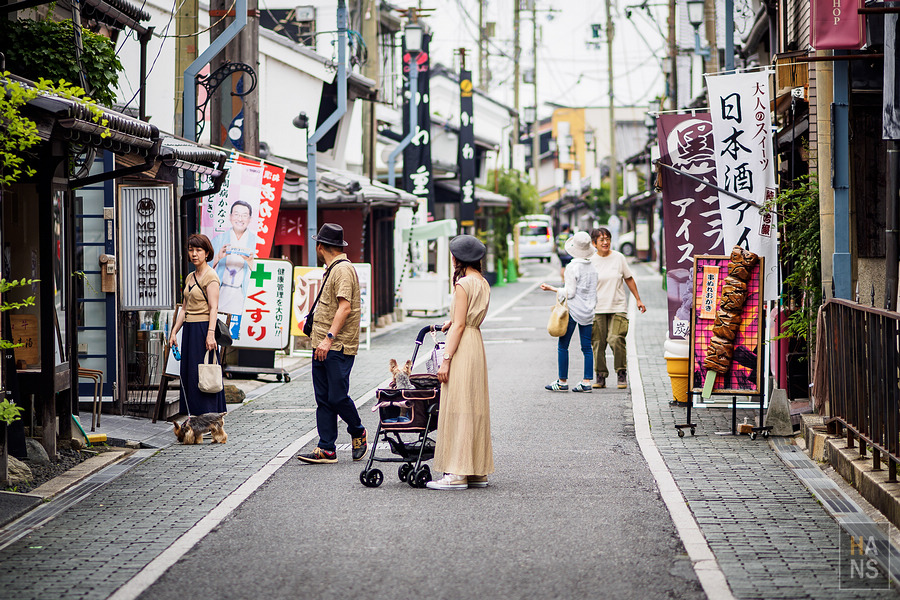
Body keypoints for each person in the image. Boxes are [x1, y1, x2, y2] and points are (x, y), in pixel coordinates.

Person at [426, 235, 494, 490]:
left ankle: (456, 473)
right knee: (474, 405)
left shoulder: (463, 284)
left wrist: (446, 359)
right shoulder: (482, 282)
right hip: (476, 343)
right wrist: (452, 321)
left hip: (463, 345)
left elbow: (460, 324)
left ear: (457, 259)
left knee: (458, 406)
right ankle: (476, 472)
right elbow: (466, 320)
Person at [297, 223, 367, 464]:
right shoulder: (333, 269)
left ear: (320, 246)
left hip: (336, 345)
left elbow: (345, 307)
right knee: (324, 398)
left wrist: (328, 339)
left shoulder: (342, 270)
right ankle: (326, 448)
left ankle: (357, 430)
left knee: (337, 397)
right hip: (321, 345)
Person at [168, 234, 227, 416]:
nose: (194, 254)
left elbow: (213, 307)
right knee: (190, 375)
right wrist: (174, 332)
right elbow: (184, 309)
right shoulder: (190, 277)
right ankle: (194, 417)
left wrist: (210, 334)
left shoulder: (211, 277)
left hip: (203, 329)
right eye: (191, 250)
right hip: (189, 331)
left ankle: (210, 418)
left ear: (207, 253)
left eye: (198, 250)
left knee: (205, 373)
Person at [540, 231, 598, 394]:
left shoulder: (572, 267)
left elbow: (570, 292)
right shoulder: (593, 268)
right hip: (588, 311)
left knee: (563, 346)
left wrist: (552, 288)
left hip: (572, 311)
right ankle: (587, 382)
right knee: (587, 347)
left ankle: (562, 381)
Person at [590, 227, 647, 389]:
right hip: (597, 307)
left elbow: (629, 278)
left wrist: (638, 299)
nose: (605, 242)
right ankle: (600, 375)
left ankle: (621, 373)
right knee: (598, 343)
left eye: (607, 238)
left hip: (618, 306)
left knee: (616, 339)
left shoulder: (618, 258)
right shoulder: (591, 261)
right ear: (594, 243)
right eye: (601, 239)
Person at [211, 200, 260, 316]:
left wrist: (250, 262)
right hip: (221, 292)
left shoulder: (256, 242)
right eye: (237, 214)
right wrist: (217, 258)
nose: (240, 219)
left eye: (244, 215)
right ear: (230, 217)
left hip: (243, 293)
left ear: (250, 219)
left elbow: (261, 273)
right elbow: (204, 268)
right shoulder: (219, 240)